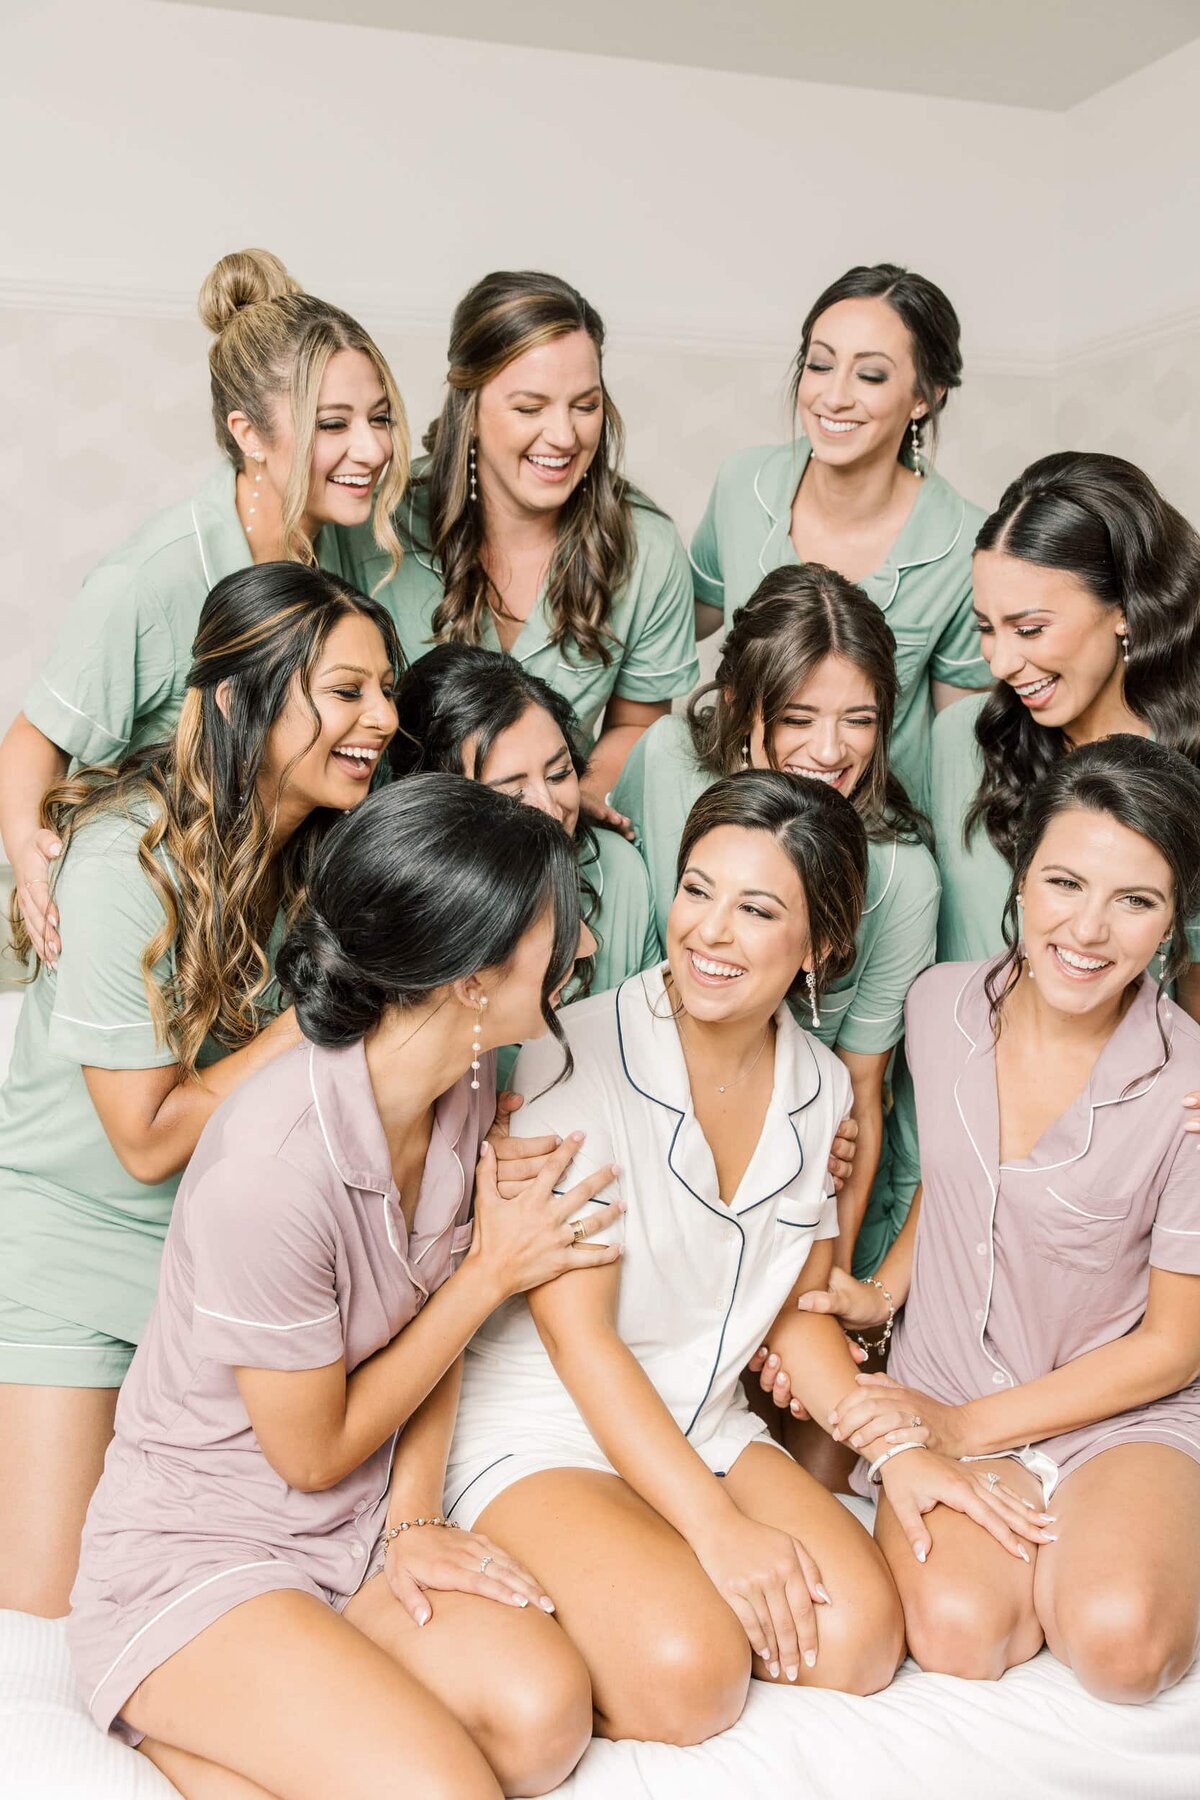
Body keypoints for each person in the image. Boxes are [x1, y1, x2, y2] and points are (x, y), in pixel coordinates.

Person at [441, 774, 1037, 1746]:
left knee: (861, 1638)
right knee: (695, 1675)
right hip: (549, 1430)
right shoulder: (567, 1059)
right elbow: (581, 1344)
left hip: (705, 1423)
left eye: (757, 910)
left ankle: (640, 1573)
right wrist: (716, 1534)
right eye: (697, 890)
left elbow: (801, 1314)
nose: (710, 932)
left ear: (821, 947)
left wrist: (898, 1448)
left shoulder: (820, 1093)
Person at [69, 776, 625, 1800]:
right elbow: (312, 1451)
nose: (582, 951)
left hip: (357, 1526)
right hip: (206, 1544)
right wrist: (490, 1272)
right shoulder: (269, 1169)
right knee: (447, 1788)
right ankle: (176, 1719)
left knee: (544, 1721)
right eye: (558, 931)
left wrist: (414, 1527)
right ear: (468, 976)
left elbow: (426, 1346)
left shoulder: (467, 1078)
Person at [0, 562, 402, 1616]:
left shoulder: (322, 854)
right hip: (71, 1246)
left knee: (239, 1581)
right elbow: (144, 1137)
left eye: (387, 691)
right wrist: (318, 1004)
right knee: (45, 1609)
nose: (382, 718)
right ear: (241, 698)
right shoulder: (121, 861)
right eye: (348, 691)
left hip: (216, 1263)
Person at [763, 739, 1200, 1704]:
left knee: (1123, 1647)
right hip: (947, 1372)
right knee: (962, 1632)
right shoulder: (939, 1005)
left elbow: (1172, 1347)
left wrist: (964, 1428)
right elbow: (958, 1186)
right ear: (1021, 872)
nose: (1087, 928)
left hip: (1113, 1408)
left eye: (1137, 900)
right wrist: (880, 1293)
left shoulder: (1191, 1088)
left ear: (1174, 922)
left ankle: (1116, 1537)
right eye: (1065, 882)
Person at [0, 246, 410, 962]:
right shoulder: (148, 582)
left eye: (379, 419)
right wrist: (34, 865)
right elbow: (37, 739)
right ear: (247, 434)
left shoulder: (352, 553)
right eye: (334, 423)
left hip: (266, 928)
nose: (372, 449)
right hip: (158, 934)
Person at [612, 564, 938, 1278]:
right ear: (740, 703)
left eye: (860, 721)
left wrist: (836, 1287)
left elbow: (863, 1094)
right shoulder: (666, 761)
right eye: (798, 718)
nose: (831, 751)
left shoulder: (902, 876)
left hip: (791, 1181)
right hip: (635, 1136)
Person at [358, 269, 699, 817]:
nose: (564, 437)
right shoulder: (377, 524)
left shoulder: (648, 547)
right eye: (530, 408)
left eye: (585, 406)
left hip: (556, 838)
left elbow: (639, 722)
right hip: (400, 842)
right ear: (469, 410)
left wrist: (579, 793)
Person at [689, 262, 990, 805]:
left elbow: (957, 750)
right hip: (736, 807)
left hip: (874, 830)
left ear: (927, 395)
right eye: (820, 365)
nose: (834, 397)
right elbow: (674, 619)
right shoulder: (742, 484)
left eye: (870, 375)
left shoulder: (968, 544)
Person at [932, 451, 1200, 1016]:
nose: (1001, 662)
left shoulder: (1188, 766)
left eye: (1030, 628)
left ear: (1126, 608)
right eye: (986, 628)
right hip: (947, 1086)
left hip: (1121, 1098)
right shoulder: (958, 739)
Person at [390, 643, 658, 1002]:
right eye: (514, 796)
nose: (550, 810)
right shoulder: (400, 919)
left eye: (559, 774)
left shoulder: (622, 874)